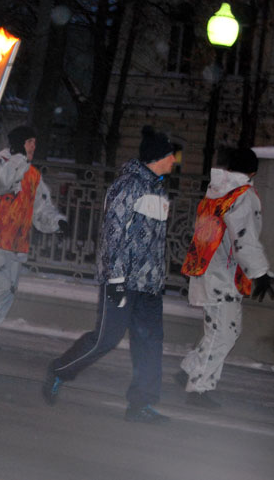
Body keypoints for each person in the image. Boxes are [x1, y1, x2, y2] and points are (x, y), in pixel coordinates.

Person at [42, 125, 178, 425]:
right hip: (123, 281)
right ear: (158, 157)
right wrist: (115, 280)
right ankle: (59, 370)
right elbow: (112, 236)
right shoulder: (127, 186)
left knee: (150, 343)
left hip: (149, 285)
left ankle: (141, 404)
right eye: (171, 155)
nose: (174, 161)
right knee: (105, 339)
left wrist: (158, 279)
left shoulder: (158, 189)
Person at [177, 148, 274, 408]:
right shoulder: (242, 195)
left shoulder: (217, 190)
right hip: (222, 275)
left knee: (221, 331)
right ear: (253, 172)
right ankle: (198, 388)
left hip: (207, 268)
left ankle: (189, 370)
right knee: (223, 334)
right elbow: (243, 238)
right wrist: (261, 273)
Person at [0, 125, 67, 350]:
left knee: (8, 290)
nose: (33, 147)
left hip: (16, 241)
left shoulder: (33, 175)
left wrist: (57, 223)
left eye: (34, 143)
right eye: (29, 142)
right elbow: (1, 185)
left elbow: (41, 208)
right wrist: (18, 158)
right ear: (19, 143)